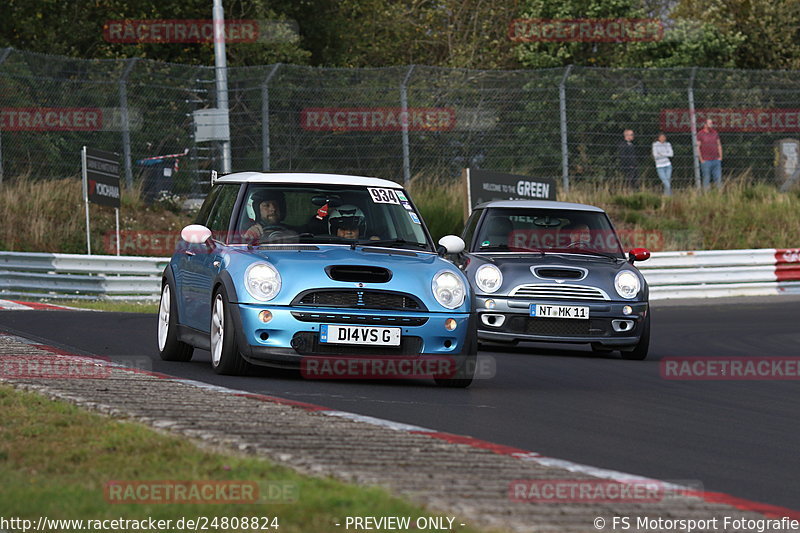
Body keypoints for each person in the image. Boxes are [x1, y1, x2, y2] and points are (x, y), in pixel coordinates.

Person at [697, 118, 723, 189]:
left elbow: (719, 144)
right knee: (706, 179)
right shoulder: (700, 134)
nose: (711, 125)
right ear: (705, 125)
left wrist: (720, 157)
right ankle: (706, 195)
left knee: (718, 179)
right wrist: (701, 159)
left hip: (716, 160)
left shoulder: (715, 133)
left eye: (711, 123)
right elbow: (698, 147)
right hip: (706, 161)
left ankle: (718, 195)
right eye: (709, 123)